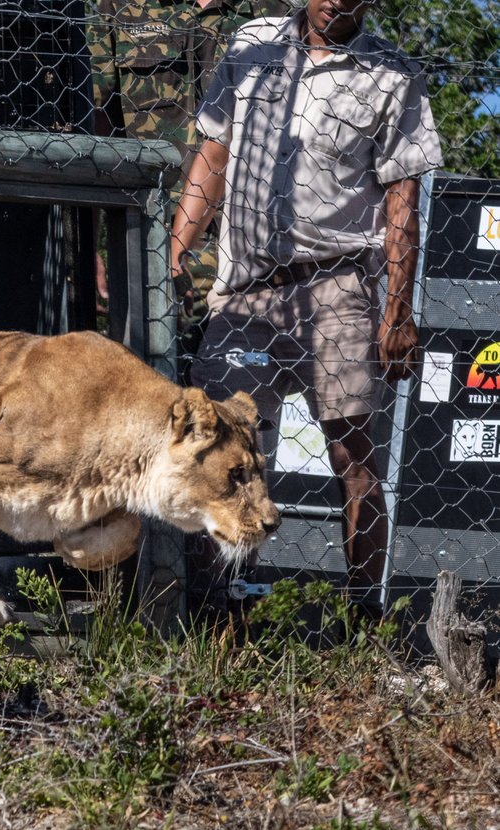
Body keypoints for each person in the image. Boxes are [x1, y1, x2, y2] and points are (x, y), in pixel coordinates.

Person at [171, 0, 443, 621]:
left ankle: (364, 621)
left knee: (353, 455)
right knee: (218, 448)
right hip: (246, 288)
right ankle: (215, 619)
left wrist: (397, 310)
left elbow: (402, 201)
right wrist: (177, 247)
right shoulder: (253, 44)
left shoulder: (393, 74)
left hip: (337, 284)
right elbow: (215, 153)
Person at [86, 0, 290, 334]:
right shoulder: (119, 8)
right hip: (148, 239)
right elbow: (95, 132)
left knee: (244, 362)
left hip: (250, 246)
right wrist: (84, 246)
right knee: (147, 361)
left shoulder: (278, 15)